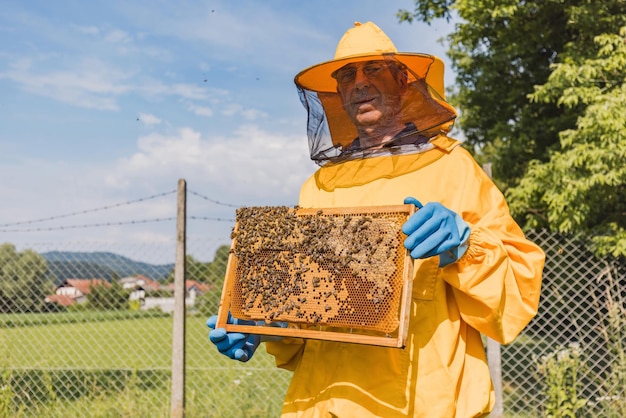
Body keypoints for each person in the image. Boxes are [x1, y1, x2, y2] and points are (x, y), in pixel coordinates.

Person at [207, 21, 545, 417]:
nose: (359, 83)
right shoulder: (320, 185)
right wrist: (264, 326)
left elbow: (517, 292)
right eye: (347, 75)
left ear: (403, 81)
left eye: (373, 70)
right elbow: (310, 312)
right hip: (324, 401)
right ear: (338, 94)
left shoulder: (453, 167)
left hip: (424, 402)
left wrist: (465, 248)